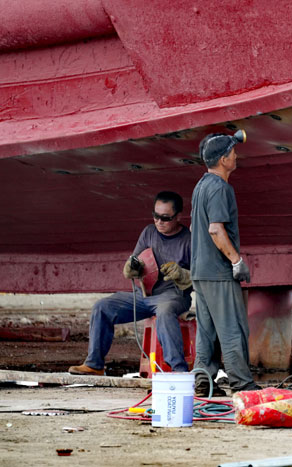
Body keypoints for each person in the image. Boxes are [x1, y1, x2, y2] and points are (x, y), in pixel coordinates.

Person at [68, 191, 193, 375]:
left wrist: (182, 274)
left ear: (179, 216)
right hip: (142, 296)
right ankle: (94, 365)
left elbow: (201, 277)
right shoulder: (149, 232)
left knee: (165, 312)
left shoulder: (189, 240)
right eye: (156, 216)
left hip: (172, 297)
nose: (159, 222)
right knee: (102, 307)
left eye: (165, 218)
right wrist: (131, 267)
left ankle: (179, 372)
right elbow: (135, 260)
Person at [190, 132, 259, 396]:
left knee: (206, 332)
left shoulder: (201, 185)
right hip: (218, 272)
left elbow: (198, 228)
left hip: (201, 271)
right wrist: (236, 260)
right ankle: (242, 385)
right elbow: (215, 229)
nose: (236, 156)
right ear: (222, 159)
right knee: (232, 329)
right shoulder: (220, 188)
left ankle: (203, 383)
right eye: (232, 152)